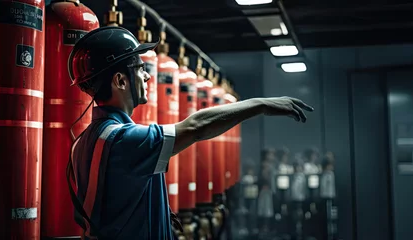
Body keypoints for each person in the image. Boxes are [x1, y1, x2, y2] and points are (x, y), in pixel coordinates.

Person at [67, 26, 314, 240]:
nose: (147, 76)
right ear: (120, 81)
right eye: (139, 68)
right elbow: (196, 127)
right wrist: (261, 104)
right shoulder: (124, 140)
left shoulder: (82, 141)